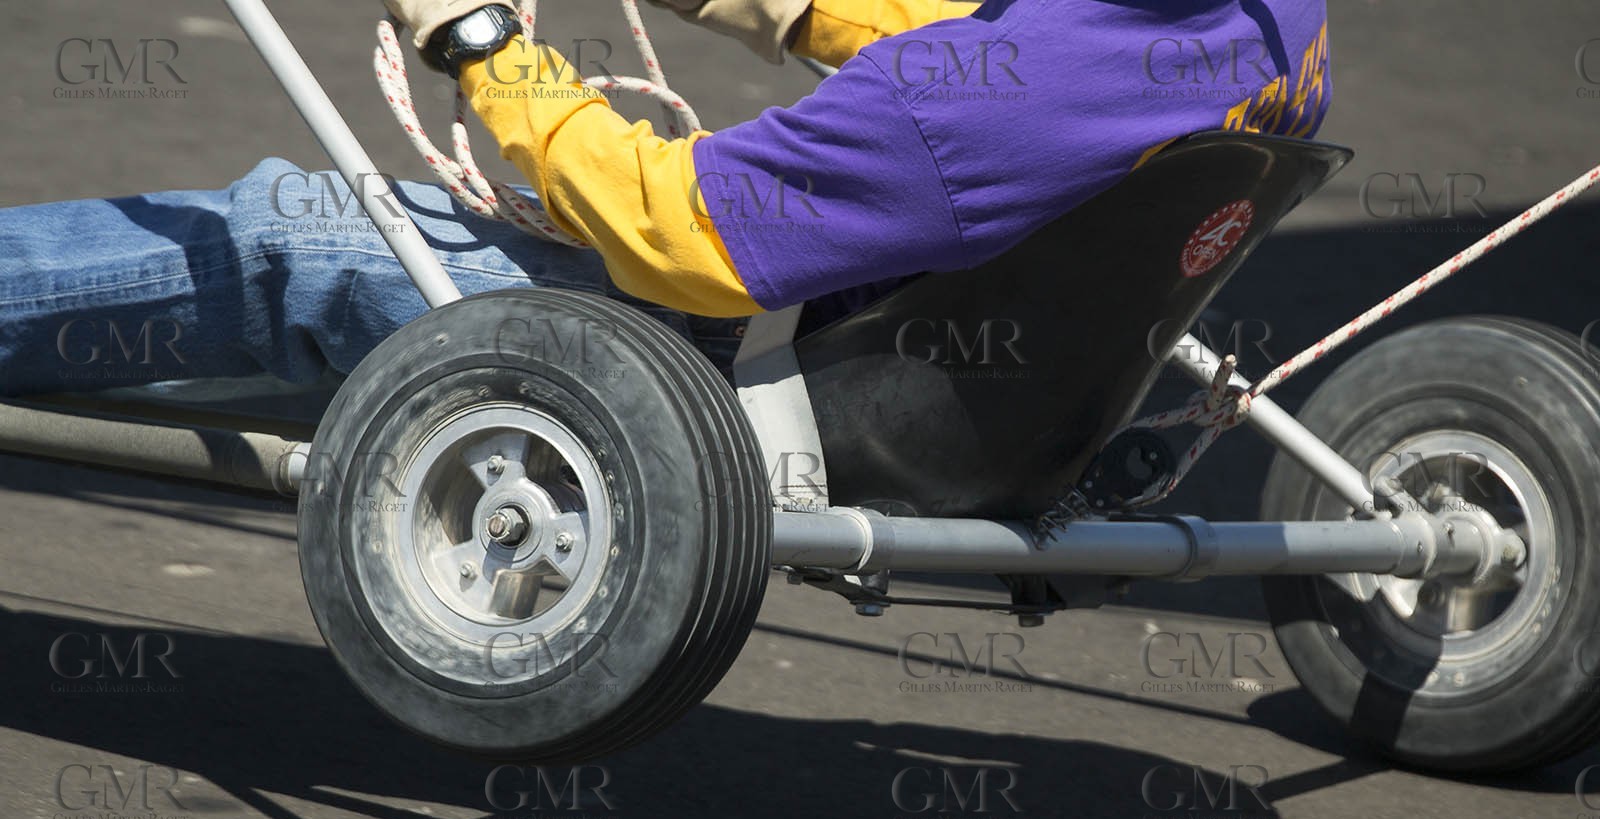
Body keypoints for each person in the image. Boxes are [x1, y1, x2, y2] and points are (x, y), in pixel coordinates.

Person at [0, 0, 1329, 396]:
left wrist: (478, 50)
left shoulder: (979, 104)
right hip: (1012, 367)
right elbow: (998, 50)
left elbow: (673, 233)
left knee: (294, 234)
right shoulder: (1276, 24)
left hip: (741, 343)